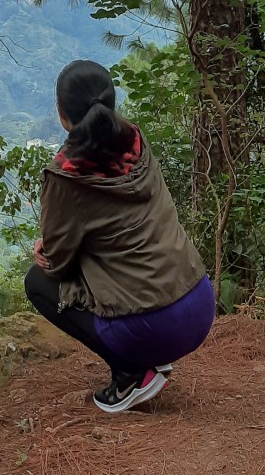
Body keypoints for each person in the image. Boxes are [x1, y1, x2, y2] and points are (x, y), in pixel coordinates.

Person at [24, 59, 215, 414]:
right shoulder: (135, 140)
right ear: (110, 103)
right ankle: (147, 357)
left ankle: (130, 373)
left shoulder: (65, 177)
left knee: (38, 281)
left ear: (62, 114)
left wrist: (47, 250)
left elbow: (60, 265)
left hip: (155, 324)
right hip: (199, 301)